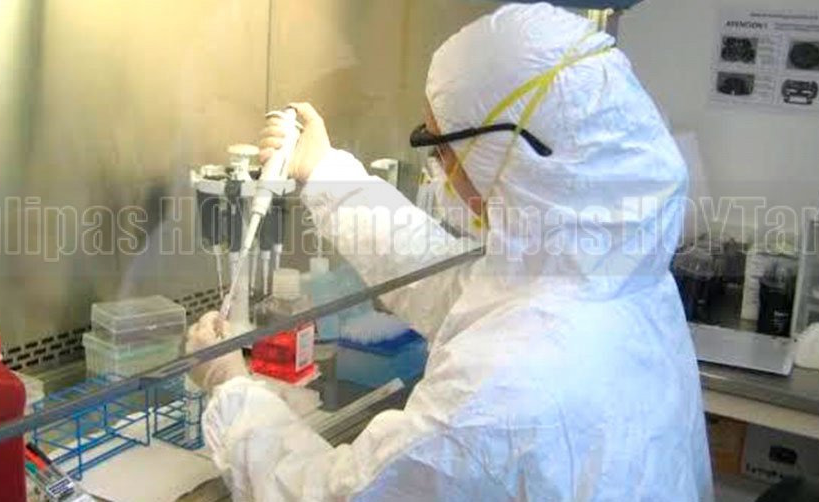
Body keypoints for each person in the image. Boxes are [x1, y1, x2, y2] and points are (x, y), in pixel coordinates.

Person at [188, 3, 713, 500]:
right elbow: (450, 284)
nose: (439, 170)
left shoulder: (498, 393)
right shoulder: (611, 281)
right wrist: (326, 172)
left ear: (509, 157)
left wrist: (232, 392)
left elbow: (335, 493)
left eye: (441, 149)